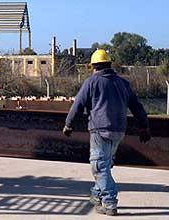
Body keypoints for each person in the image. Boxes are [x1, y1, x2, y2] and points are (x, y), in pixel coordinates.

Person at [62, 49, 151, 216]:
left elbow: (78, 104)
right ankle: (97, 195)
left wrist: (69, 124)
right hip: (118, 131)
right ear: (109, 65)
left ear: (94, 67)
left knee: (99, 166)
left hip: (99, 130)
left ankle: (109, 202)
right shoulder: (122, 83)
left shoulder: (92, 82)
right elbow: (137, 107)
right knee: (105, 164)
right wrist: (143, 127)